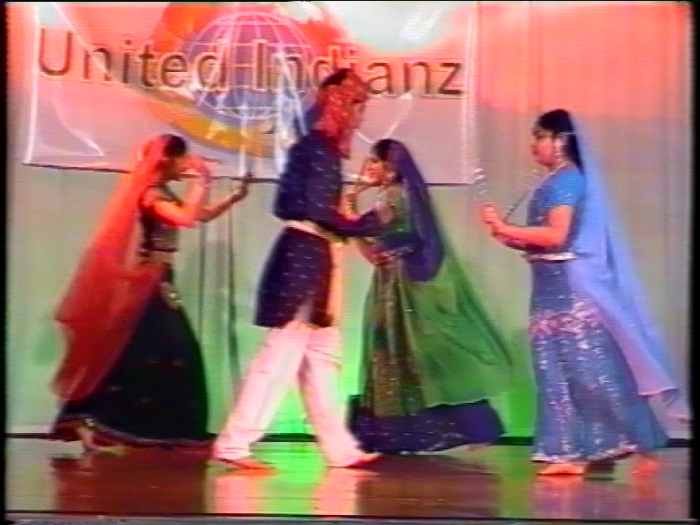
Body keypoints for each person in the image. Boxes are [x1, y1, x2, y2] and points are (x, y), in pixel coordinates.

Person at [480, 109, 688, 475]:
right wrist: (503, 232)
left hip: (569, 290)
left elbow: (556, 236)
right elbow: (538, 242)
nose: (533, 144)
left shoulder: (567, 180)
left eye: (539, 136)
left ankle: (621, 444)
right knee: (555, 372)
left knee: (587, 370)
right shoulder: (551, 181)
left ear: (561, 141)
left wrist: (506, 227)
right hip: (548, 288)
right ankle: (575, 450)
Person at [212, 69, 392, 470]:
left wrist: (351, 225)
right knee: (281, 353)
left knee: (322, 358)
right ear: (336, 103)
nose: (359, 115)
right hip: (306, 258)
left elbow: (298, 205)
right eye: (356, 104)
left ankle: (340, 449)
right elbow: (313, 210)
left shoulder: (314, 150)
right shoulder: (318, 151)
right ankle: (235, 443)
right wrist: (366, 224)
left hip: (315, 256)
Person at [51, 134, 251, 452]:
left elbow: (199, 214)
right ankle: (94, 418)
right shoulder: (151, 194)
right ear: (167, 159)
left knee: (136, 353)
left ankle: (91, 419)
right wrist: (202, 181)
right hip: (150, 280)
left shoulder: (164, 192)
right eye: (183, 158)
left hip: (160, 278)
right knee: (168, 351)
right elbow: (185, 218)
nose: (187, 164)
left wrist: (233, 198)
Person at [344, 139, 513, 455]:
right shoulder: (391, 196)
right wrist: (352, 218)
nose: (368, 168)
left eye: (374, 162)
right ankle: (468, 429)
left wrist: (348, 214)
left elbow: (368, 228)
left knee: (415, 356)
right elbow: (374, 254)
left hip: (403, 290)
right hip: (391, 286)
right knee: (408, 358)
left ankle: (470, 427)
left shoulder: (394, 196)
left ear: (390, 166)